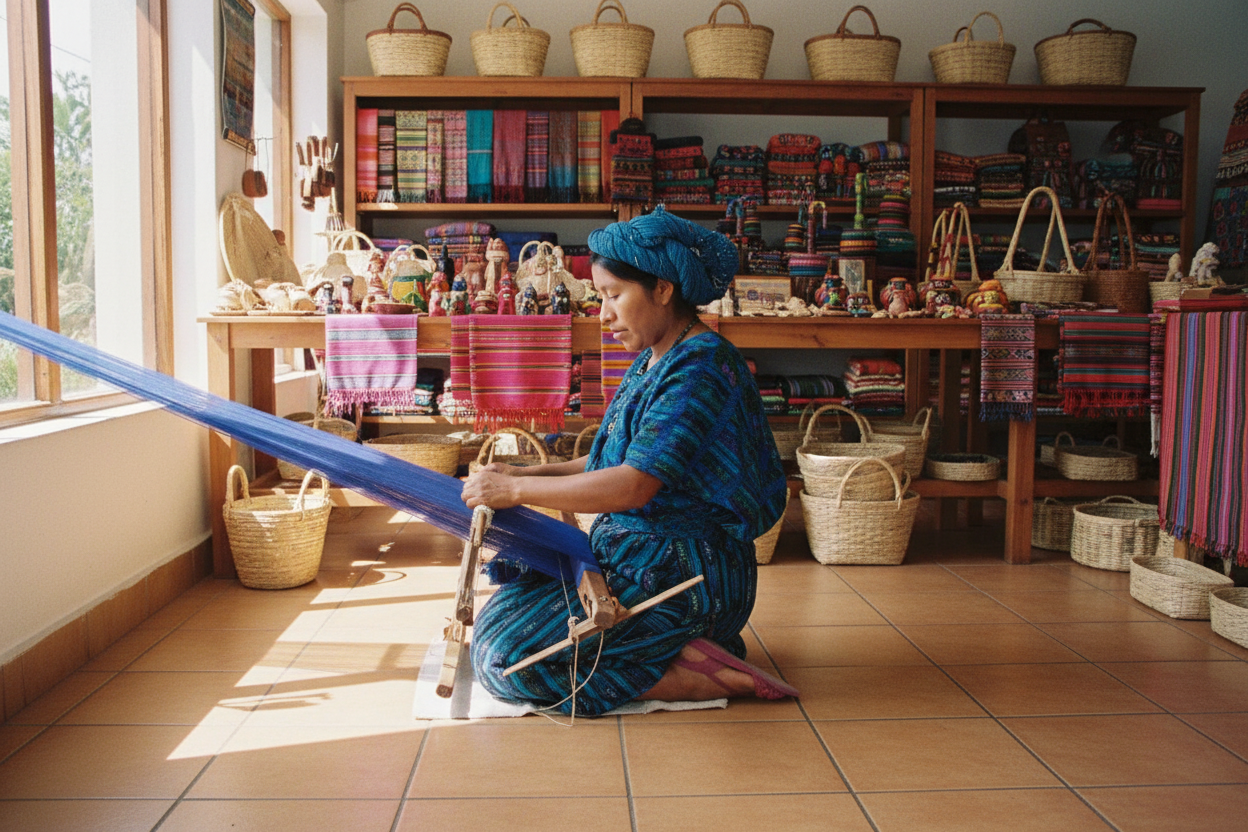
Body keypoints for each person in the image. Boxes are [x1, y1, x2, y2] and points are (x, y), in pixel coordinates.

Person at [460, 206, 795, 716]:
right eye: (600, 297)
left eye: (614, 296)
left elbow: (633, 485)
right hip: (639, 559)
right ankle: (679, 653)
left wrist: (516, 492)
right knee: (496, 627)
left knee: (505, 663)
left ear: (662, 289)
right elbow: (605, 459)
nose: (604, 314)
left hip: (687, 575)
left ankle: (688, 677)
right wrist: (523, 473)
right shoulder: (656, 357)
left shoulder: (701, 368)